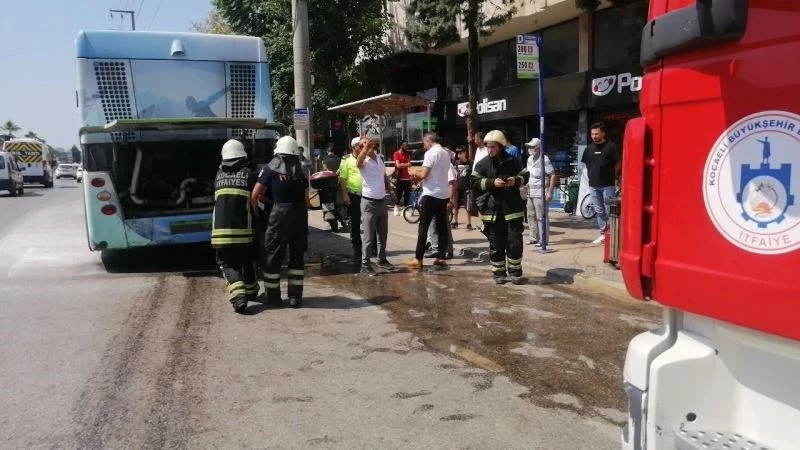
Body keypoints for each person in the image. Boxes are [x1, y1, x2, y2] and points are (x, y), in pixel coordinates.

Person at [250, 136, 309, 309]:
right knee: (297, 258)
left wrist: (258, 215)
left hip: (278, 219)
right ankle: (295, 298)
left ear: (278, 152)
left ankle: (273, 298)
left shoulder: (269, 170)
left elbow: (254, 196)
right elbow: (305, 200)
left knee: (272, 257)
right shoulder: (300, 172)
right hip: (299, 218)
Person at [472, 130, 530, 285]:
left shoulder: (514, 161)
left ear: (501, 146)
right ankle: (499, 273)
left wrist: (515, 181)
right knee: (496, 244)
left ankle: (515, 273)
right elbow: (473, 182)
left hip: (512, 209)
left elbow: (525, 175)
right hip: (493, 211)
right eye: (488, 147)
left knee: (514, 243)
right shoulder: (482, 164)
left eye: (493, 147)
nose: (490, 150)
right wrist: (492, 183)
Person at [211, 139, 259, 314]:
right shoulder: (250, 174)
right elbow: (257, 201)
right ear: (243, 156)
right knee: (247, 260)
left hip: (219, 233)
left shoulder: (218, 175)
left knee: (227, 264)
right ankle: (252, 291)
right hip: (244, 231)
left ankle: (239, 298)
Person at [406, 133, 453, 270]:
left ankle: (418, 258)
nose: (424, 146)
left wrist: (413, 172)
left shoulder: (431, 153)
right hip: (443, 194)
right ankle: (441, 257)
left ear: (429, 141)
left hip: (431, 194)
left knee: (423, 226)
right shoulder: (445, 153)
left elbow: (424, 174)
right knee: (442, 226)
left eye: (424, 143)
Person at [356, 137, 395, 275]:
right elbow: (358, 162)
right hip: (369, 203)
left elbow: (384, 176)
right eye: (363, 145)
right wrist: (366, 148)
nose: (368, 145)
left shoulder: (379, 158)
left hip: (382, 201)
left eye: (368, 143)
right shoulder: (363, 161)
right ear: (360, 148)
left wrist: (390, 190)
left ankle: (382, 259)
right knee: (368, 236)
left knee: (382, 234)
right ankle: (365, 264)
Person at [581, 123, 621, 244]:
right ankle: (604, 232)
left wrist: (614, 175)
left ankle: (613, 233)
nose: (594, 136)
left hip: (607, 184)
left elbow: (618, 162)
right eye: (592, 134)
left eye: (597, 134)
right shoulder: (588, 148)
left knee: (610, 209)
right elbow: (586, 164)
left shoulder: (611, 146)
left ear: (603, 133)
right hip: (593, 184)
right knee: (599, 210)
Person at [523, 138, 556, 246]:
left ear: (538, 148)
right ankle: (533, 237)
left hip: (541, 193)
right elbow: (529, 175)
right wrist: (526, 185)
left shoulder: (544, 159)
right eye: (530, 147)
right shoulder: (529, 159)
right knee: (530, 216)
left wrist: (549, 192)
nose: (530, 149)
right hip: (530, 192)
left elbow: (552, 175)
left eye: (532, 147)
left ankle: (543, 240)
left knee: (541, 217)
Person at [337, 137, 364, 262]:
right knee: (355, 222)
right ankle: (357, 248)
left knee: (371, 222)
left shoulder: (367, 158)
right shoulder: (347, 161)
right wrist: (345, 194)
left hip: (368, 195)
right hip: (353, 195)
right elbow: (342, 178)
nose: (363, 148)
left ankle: (373, 248)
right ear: (354, 147)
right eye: (360, 146)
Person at [452, 146, 473, 230]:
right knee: (456, 205)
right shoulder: (456, 162)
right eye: (457, 153)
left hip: (467, 187)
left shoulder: (470, 163)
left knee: (468, 206)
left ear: (465, 153)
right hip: (457, 187)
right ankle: (455, 221)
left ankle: (469, 223)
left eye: (460, 153)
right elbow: (454, 174)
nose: (458, 155)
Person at [392, 140, 412, 216]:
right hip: (400, 177)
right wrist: (407, 164)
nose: (407, 147)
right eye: (406, 145)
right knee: (399, 194)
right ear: (401, 146)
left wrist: (411, 176)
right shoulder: (396, 154)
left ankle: (405, 209)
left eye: (407, 145)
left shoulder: (407, 154)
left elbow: (409, 166)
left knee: (407, 194)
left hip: (407, 177)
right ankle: (396, 207)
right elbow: (398, 165)